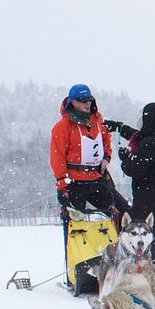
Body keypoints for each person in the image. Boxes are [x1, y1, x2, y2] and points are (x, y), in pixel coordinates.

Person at [115, 103, 155, 273]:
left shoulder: (150, 143)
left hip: (150, 199)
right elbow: (138, 136)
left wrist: (125, 159)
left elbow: (135, 169)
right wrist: (122, 128)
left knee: (152, 238)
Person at [50, 83, 117, 218]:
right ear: (73, 102)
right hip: (74, 182)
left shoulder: (97, 121)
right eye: (82, 101)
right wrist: (62, 182)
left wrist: (107, 157)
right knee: (76, 225)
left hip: (97, 178)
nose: (87, 104)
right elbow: (57, 156)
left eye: (89, 100)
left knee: (116, 214)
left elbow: (106, 141)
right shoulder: (62, 127)